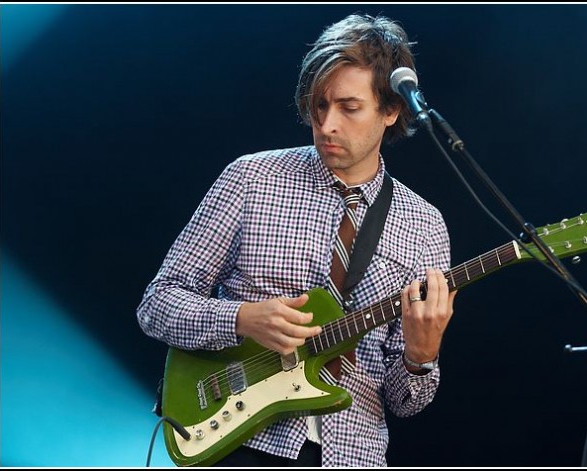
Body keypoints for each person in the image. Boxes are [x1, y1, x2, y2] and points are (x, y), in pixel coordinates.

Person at [136, 13, 457, 467]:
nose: (326, 125)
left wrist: (421, 355)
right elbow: (157, 305)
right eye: (319, 105)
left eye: (349, 108)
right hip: (241, 439)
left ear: (391, 111)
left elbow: (407, 403)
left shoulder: (425, 224)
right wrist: (241, 318)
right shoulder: (251, 178)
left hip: (351, 454)